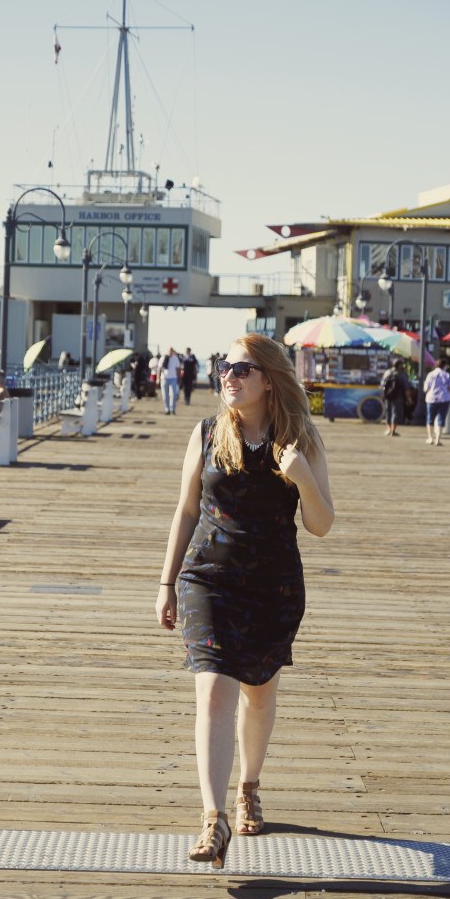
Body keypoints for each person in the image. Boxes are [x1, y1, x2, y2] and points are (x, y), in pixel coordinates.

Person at [155, 334, 334, 868]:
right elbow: (186, 511)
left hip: (273, 587)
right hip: (207, 579)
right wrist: (166, 583)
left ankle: (249, 786)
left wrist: (301, 478)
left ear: (269, 379)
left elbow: (322, 525)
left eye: (240, 368)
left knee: (258, 694)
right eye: (222, 366)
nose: (227, 376)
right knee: (212, 690)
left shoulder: (301, 437)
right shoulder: (207, 433)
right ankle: (214, 819)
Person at [424, 358, 450, 446]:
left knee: (430, 418)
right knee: (441, 419)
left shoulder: (430, 374)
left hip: (431, 398)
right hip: (444, 399)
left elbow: (426, 388)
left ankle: (430, 438)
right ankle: (438, 439)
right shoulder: (447, 375)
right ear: (445, 366)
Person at [380, 358, 410, 437]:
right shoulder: (402, 374)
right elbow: (406, 387)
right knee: (396, 413)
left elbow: (382, 384)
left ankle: (389, 429)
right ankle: (393, 430)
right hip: (398, 396)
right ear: (400, 365)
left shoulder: (388, 372)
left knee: (388, 412)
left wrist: (383, 394)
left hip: (388, 396)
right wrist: (408, 398)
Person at [157, 346, 182, 414]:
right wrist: (157, 378)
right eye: (169, 351)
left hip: (173, 378)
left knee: (173, 394)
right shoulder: (163, 358)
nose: (170, 352)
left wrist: (179, 378)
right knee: (165, 395)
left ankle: (172, 409)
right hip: (164, 378)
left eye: (172, 351)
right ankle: (167, 408)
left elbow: (178, 369)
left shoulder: (175, 358)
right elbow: (159, 368)